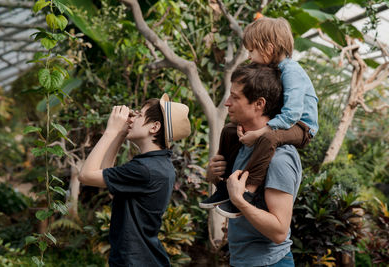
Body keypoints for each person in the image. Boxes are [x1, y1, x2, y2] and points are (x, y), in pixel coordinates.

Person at [200, 16, 318, 217]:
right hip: (285, 120)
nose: (249, 56)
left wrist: (261, 131)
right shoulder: (274, 69)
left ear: (269, 49)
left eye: (251, 51)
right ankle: (224, 187)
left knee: (268, 138)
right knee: (229, 130)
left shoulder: (291, 71)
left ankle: (247, 192)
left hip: (301, 126)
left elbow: (292, 113)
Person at [78, 94, 191, 267]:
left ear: (154, 127)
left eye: (139, 115)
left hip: (134, 261)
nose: (132, 119)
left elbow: (86, 175)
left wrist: (111, 131)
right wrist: (120, 134)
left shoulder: (145, 169)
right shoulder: (157, 164)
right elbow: (104, 173)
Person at [207, 63, 302, 266]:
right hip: (242, 260)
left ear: (259, 104)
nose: (227, 103)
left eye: (235, 97)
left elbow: (279, 231)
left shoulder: (279, 159)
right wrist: (215, 176)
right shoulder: (243, 145)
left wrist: (240, 201)